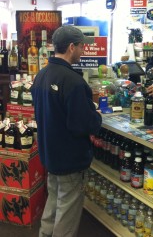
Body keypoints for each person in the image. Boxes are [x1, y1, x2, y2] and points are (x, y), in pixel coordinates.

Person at [31, 26, 102, 237]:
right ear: (72, 47)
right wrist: (96, 115)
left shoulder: (42, 75)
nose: (83, 51)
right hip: (70, 158)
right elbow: (83, 124)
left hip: (50, 155)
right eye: (82, 46)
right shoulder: (73, 82)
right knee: (67, 211)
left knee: (53, 201)